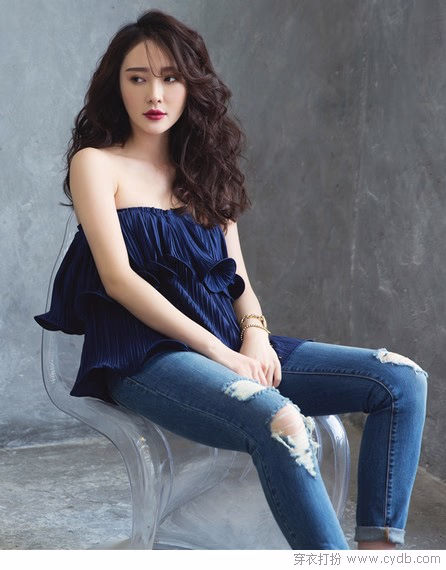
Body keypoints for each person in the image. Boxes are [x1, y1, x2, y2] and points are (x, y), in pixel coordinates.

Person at [35, 9, 428, 550]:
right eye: (138, 78)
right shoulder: (96, 164)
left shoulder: (204, 170)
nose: (155, 94)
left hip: (230, 344)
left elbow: (238, 277)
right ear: (116, 86)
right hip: (144, 357)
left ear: (191, 86)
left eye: (171, 78)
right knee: (281, 421)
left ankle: (378, 552)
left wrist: (256, 336)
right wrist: (223, 355)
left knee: (400, 380)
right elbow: (119, 280)